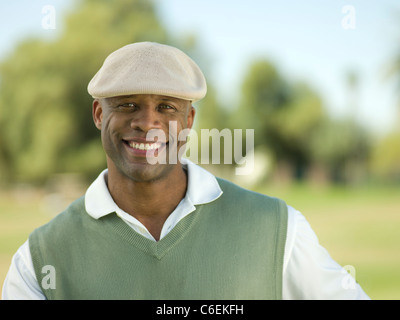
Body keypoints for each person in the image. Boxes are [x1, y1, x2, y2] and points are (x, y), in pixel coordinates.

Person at [2, 42, 369, 300]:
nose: (148, 123)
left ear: (189, 119)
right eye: (127, 104)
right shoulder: (39, 259)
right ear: (99, 115)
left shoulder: (277, 230)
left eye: (166, 107)